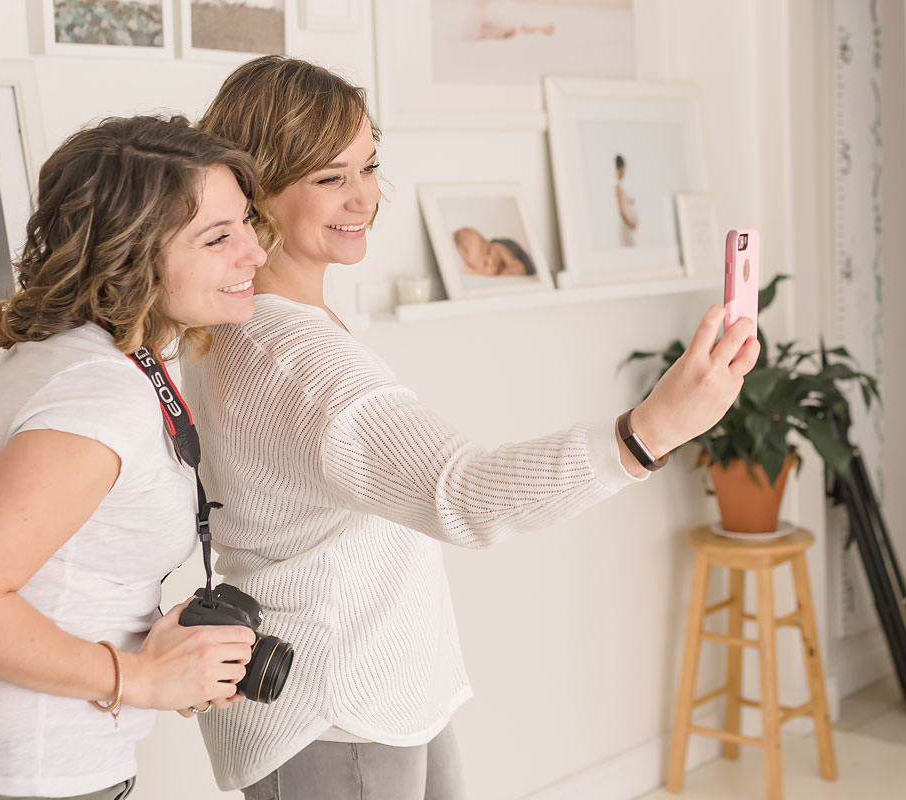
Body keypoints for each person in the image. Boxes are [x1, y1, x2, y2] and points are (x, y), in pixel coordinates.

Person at [188, 56, 759, 799]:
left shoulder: (248, 320)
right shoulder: (297, 359)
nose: (363, 197)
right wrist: (648, 431)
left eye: (369, 166)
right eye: (331, 178)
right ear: (256, 188)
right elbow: (465, 493)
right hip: (336, 716)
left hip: (377, 690)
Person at [0, 115, 268, 800]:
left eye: (246, 222)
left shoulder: (93, 351)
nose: (253, 253)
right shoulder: (99, 397)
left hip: (17, 762)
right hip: (27, 775)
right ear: (130, 255)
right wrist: (144, 680)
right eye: (218, 237)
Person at [451, 226, 535, 276]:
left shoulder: (499, 248)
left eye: (488, 251)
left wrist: (504, 273)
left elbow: (520, 268)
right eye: (485, 264)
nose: (491, 260)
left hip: (512, 249)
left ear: (487, 242)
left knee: (531, 269)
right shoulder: (472, 268)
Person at [615, 153, 638, 247]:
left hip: (629, 226)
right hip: (626, 226)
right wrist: (631, 224)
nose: (623, 171)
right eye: (621, 169)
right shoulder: (618, 186)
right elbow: (621, 211)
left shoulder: (624, 186)